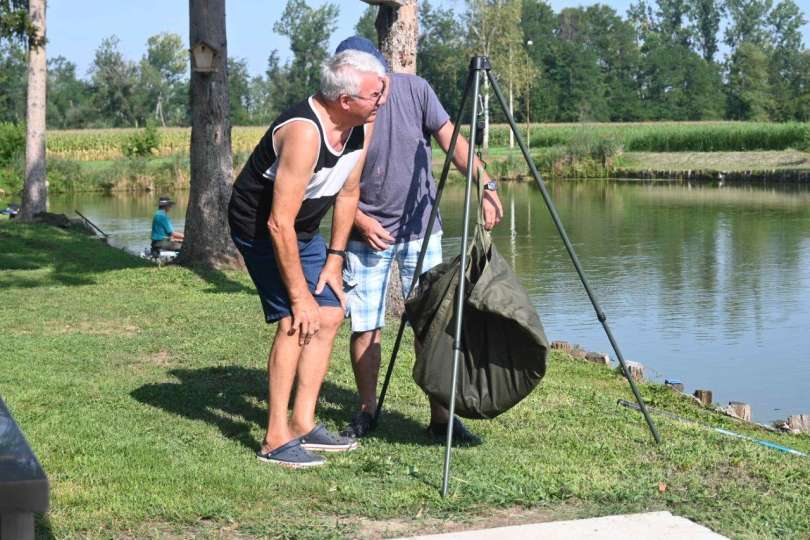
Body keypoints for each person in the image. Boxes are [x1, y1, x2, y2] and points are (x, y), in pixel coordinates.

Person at [336, 37, 504, 444]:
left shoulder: (416, 90)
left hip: (421, 227)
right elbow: (325, 179)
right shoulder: (341, 102)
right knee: (366, 325)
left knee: (434, 324)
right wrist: (358, 220)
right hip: (367, 231)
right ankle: (367, 410)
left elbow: (452, 143)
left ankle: (441, 417)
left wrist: (486, 184)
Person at [227, 50, 386, 468]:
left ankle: (302, 422)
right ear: (344, 100)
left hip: (303, 227)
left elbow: (348, 193)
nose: (382, 100)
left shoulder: (360, 127)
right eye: (374, 94)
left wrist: (334, 258)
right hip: (261, 227)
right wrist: (299, 296)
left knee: (331, 315)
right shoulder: (304, 133)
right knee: (297, 321)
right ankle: (274, 438)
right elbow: (277, 223)